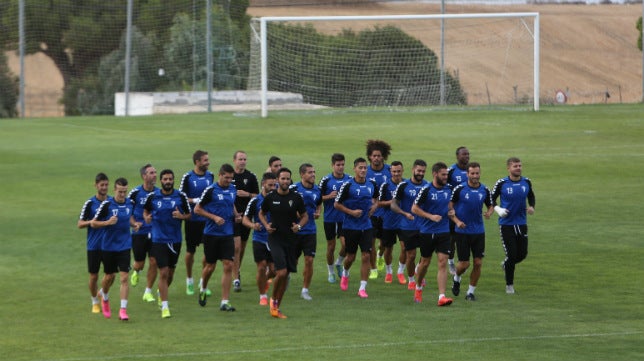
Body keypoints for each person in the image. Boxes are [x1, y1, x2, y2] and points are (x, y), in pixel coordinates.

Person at [259, 167, 308, 318]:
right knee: (282, 272)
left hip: (291, 240)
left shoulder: (296, 198)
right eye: (283, 179)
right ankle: (273, 301)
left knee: (285, 276)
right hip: (275, 239)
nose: (285, 181)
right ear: (277, 180)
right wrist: (266, 226)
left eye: (288, 179)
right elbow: (261, 213)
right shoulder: (270, 197)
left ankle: (276, 307)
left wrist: (299, 226)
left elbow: (305, 216)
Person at [143, 169, 191, 318]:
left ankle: (160, 292)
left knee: (170, 273)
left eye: (170, 179)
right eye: (165, 179)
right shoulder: (153, 197)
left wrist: (181, 216)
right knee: (163, 272)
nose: (168, 181)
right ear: (161, 181)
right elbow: (145, 211)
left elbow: (189, 215)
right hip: (158, 239)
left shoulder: (180, 196)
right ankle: (165, 307)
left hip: (175, 240)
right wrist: (147, 218)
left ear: (173, 180)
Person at [194, 163, 240, 312]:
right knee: (210, 266)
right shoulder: (211, 190)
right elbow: (197, 209)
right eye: (226, 178)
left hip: (227, 233)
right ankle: (203, 287)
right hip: (211, 234)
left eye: (231, 178)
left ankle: (225, 301)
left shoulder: (232, 189)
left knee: (228, 265)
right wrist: (214, 217)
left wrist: (236, 215)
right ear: (220, 175)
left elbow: (231, 203)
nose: (228, 180)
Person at [91, 177, 139, 320]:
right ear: (115, 190)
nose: (123, 195)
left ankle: (123, 310)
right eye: (120, 192)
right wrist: (107, 222)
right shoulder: (107, 204)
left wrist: (134, 224)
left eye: (125, 191)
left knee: (124, 277)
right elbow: (93, 223)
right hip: (108, 246)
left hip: (124, 245)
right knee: (109, 277)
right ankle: (104, 296)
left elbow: (129, 217)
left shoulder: (130, 203)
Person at [448, 162, 494, 301]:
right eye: (472, 173)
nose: (475, 176)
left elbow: (491, 204)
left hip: (479, 231)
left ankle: (470, 292)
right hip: (462, 232)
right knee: (464, 264)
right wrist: (457, 221)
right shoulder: (460, 189)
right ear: (467, 174)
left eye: (477, 173)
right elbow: (450, 208)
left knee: (478, 262)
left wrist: (489, 212)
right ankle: (457, 278)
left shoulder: (484, 190)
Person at [411, 162, 454, 307]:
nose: (445, 177)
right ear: (435, 174)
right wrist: (430, 216)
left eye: (447, 174)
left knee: (442, 262)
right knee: (425, 263)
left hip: (444, 231)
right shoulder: (426, 189)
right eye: (443, 175)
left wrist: (451, 213)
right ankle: (418, 287)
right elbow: (414, 208)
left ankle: (442, 296)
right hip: (427, 232)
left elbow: (449, 206)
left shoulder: (448, 189)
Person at [491, 157, 536, 294]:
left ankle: (506, 265)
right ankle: (509, 286)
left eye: (520, 165)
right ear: (508, 168)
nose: (518, 168)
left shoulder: (526, 181)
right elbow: (490, 198)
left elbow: (531, 196)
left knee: (522, 254)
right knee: (511, 255)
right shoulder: (502, 183)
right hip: (506, 225)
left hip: (521, 223)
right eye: (515, 166)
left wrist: (532, 207)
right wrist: (498, 210)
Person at [334, 158, 377, 299]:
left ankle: (362, 288)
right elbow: (337, 204)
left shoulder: (371, 184)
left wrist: (373, 208)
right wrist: (352, 212)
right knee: (351, 257)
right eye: (360, 168)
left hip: (366, 225)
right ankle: (345, 272)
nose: (363, 170)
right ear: (355, 169)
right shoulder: (347, 186)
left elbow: (377, 199)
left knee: (366, 255)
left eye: (365, 168)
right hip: (350, 226)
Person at [390, 159, 429, 289]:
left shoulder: (427, 186)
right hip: (408, 225)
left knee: (425, 256)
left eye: (423, 171)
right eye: (418, 170)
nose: (421, 173)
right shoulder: (403, 185)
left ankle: (419, 273)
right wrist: (404, 213)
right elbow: (393, 204)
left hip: (424, 226)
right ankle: (412, 279)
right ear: (413, 170)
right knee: (411, 255)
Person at [179, 150, 214, 296]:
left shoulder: (210, 176)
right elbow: (180, 197)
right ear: (197, 162)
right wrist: (194, 201)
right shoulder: (188, 177)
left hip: (207, 220)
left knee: (209, 252)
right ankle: (189, 280)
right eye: (205, 160)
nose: (208, 162)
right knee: (190, 251)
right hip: (193, 220)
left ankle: (202, 281)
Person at [242, 172, 278, 306]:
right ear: (263, 184)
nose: (273, 187)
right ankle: (262, 295)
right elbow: (245, 219)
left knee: (274, 270)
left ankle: (265, 281)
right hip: (259, 238)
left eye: (275, 185)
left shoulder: (278, 198)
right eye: (270, 185)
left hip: (274, 239)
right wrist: (253, 225)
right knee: (261, 267)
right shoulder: (255, 201)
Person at [77, 172, 109, 314]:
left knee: (111, 275)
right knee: (94, 276)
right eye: (102, 185)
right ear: (96, 185)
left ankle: (101, 292)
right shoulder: (90, 203)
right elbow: (80, 224)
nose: (104, 187)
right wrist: (92, 222)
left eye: (106, 185)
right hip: (94, 245)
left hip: (109, 245)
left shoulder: (111, 202)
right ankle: (95, 301)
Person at [127, 164, 158, 303]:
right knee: (139, 262)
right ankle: (136, 271)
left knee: (154, 261)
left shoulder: (159, 193)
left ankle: (148, 291)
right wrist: (134, 224)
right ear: (144, 176)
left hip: (155, 232)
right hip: (139, 232)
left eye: (155, 172)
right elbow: (127, 212)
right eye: (151, 173)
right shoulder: (135, 193)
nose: (154, 175)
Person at [318, 153, 351, 283]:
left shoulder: (350, 179)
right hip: (330, 218)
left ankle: (339, 263)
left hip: (345, 218)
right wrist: (328, 196)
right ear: (332, 166)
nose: (341, 167)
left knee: (346, 245)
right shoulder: (326, 180)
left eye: (342, 164)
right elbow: (317, 197)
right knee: (331, 247)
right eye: (338, 165)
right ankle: (331, 272)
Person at [292, 163, 322, 301]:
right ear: (302, 175)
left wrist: (317, 212)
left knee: (309, 260)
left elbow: (319, 203)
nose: (313, 175)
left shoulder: (317, 189)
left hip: (310, 231)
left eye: (314, 172)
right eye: (310, 172)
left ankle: (305, 290)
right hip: (294, 231)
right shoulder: (294, 189)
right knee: (293, 261)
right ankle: (284, 277)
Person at [232, 150, 260, 293]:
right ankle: (236, 278)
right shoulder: (229, 176)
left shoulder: (251, 176)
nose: (243, 161)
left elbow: (258, 195)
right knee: (236, 247)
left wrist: (247, 194)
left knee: (242, 247)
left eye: (244, 159)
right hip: (232, 217)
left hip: (246, 217)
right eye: (240, 159)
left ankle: (237, 270)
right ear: (234, 160)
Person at [366, 139, 392, 280]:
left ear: (383, 156)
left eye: (379, 155)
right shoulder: (365, 171)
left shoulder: (389, 171)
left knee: (384, 243)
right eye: (374, 155)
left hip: (386, 212)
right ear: (370, 156)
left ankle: (380, 256)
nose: (376, 158)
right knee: (370, 242)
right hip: (371, 213)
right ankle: (373, 269)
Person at [376, 161, 405, 284]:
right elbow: (379, 203)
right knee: (387, 248)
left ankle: (400, 272)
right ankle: (388, 271)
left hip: (403, 221)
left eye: (399, 171)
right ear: (390, 172)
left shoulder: (406, 184)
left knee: (405, 248)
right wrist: (393, 202)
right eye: (394, 171)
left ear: (402, 171)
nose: (396, 173)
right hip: (389, 221)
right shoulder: (385, 185)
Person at [447, 146, 470, 275]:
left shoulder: (471, 170)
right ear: (457, 156)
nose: (466, 156)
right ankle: (450, 261)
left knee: (463, 237)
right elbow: (443, 185)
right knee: (452, 238)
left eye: (468, 154)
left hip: (466, 210)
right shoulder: (451, 171)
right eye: (464, 154)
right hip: (453, 210)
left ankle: (462, 262)